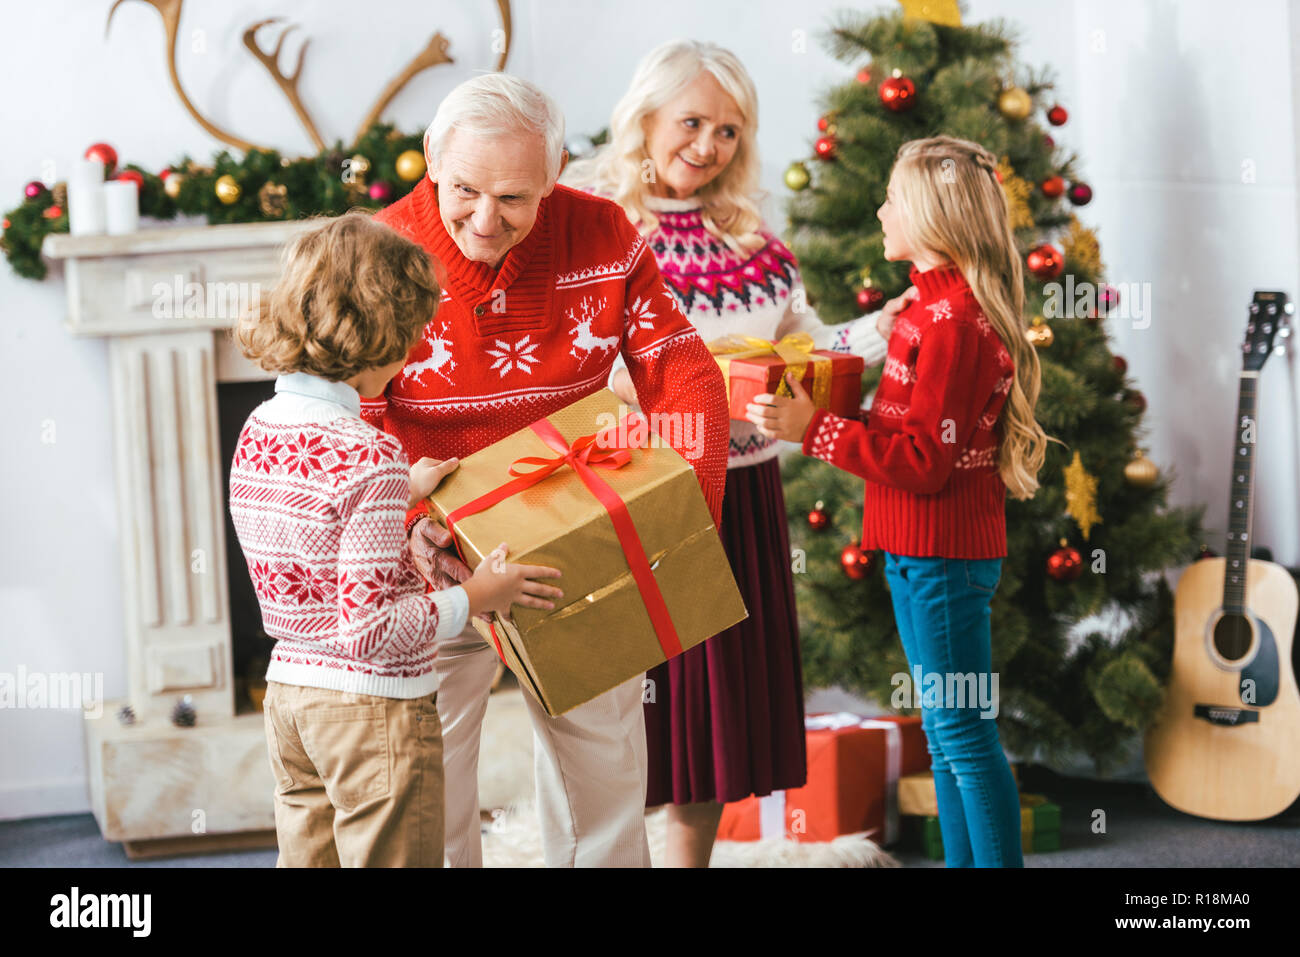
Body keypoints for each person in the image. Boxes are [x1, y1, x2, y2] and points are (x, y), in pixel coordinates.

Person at [365, 73, 731, 867]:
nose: (485, 220)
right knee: (431, 777)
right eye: (464, 190)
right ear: (431, 156)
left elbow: (683, 371)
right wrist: (404, 522)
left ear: (557, 171)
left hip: (568, 536)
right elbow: (352, 414)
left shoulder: (603, 233)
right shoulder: (380, 253)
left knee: (601, 767)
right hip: (433, 551)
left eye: (515, 199)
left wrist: (680, 523)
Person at [562, 38, 911, 867]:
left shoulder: (752, 238)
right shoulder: (595, 225)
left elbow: (806, 344)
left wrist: (881, 328)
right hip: (641, 492)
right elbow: (574, 360)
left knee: (713, 707)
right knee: (628, 705)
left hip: (742, 497)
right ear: (643, 119)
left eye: (728, 130)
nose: (708, 145)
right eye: (691, 122)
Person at [748, 135, 1051, 868]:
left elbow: (921, 460)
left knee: (964, 732)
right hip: (916, 551)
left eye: (891, 199)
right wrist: (824, 406)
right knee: (945, 731)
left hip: (945, 557)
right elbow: (903, 429)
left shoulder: (954, 326)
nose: (881, 210)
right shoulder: (923, 312)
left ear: (930, 215)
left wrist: (812, 430)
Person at [228, 211, 562, 867]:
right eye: (410, 338)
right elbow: (370, 630)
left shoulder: (261, 428)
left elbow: (315, 522)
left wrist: (400, 492)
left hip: (293, 697)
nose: (411, 354)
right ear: (379, 339)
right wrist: (480, 594)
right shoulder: (370, 454)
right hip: (371, 710)